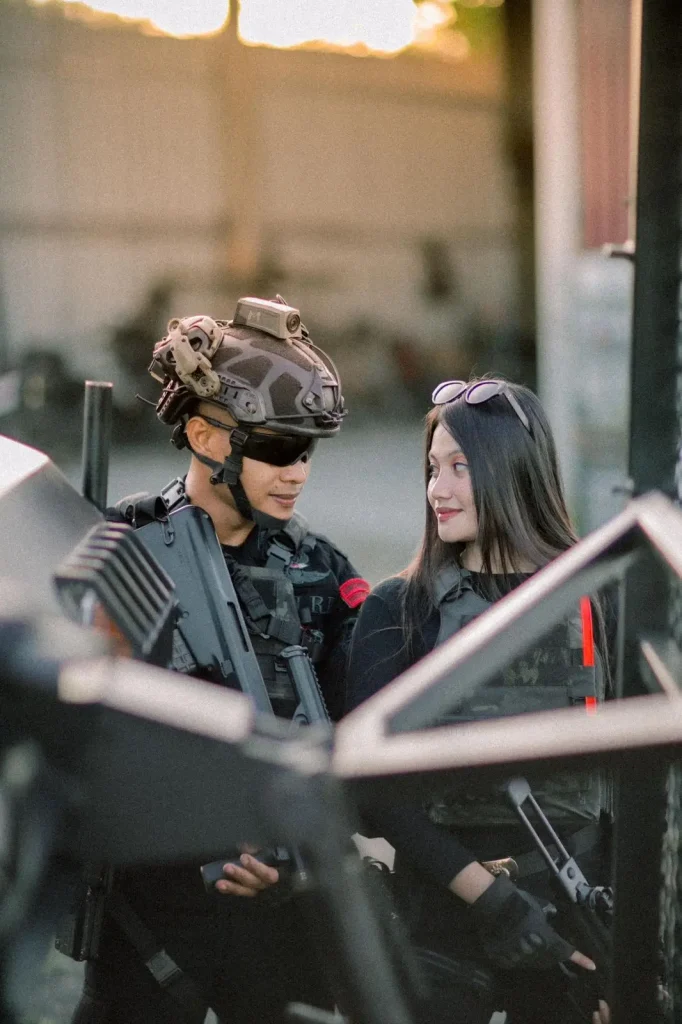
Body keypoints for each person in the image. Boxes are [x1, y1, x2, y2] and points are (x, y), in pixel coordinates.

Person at [71, 297, 370, 1024]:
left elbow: (360, 736)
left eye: (306, 452)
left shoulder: (321, 570)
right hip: (147, 913)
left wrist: (292, 845)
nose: (296, 472)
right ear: (205, 436)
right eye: (276, 449)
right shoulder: (118, 545)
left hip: (277, 919)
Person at [346, 377, 612, 1024]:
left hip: (573, 913)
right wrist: (491, 898)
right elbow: (372, 791)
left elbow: (638, 778)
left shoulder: (601, 594)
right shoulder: (397, 608)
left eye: (460, 468)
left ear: (512, 469)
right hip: (441, 919)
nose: (437, 489)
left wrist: (624, 950)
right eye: (432, 468)